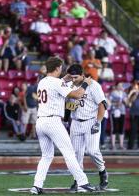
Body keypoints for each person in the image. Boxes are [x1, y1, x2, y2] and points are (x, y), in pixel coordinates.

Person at [30, 57, 96, 194]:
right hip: (53, 122)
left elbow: (56, 85)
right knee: (69, 153)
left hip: (41, 121)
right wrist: (86, 84)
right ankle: (83, 182)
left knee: (46, 156)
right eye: (61, 67)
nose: (62, 69)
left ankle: (36, 186)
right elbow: (77, 95)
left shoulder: (42, 81)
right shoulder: (56, 82)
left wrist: (64, 80)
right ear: (57, 68)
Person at [65, 64, 108, 191]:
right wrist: (67, 119)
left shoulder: (93, 85)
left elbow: (103, 104)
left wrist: (98, 122)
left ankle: (102, 172)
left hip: (91, 121)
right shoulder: (70, 85)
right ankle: (78, 181)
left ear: (82, 75)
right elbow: (68, 105)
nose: (73, 79)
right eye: (71, 77)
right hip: (76, 121)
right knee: (76, 154)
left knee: (92, 151)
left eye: (76, 77)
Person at [110, 83, 127, 150]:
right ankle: (113, 145)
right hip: (114, 111)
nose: (120, 87)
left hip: (122, 112)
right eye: (119, 85)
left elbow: (127, 103)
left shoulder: (124, 94)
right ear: (116, 86)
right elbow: (109, 102)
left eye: (121, 86)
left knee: (121, 128)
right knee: (114, 128)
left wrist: (124, 100)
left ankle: (121, 145)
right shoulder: (113, 93)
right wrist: (115, 103)